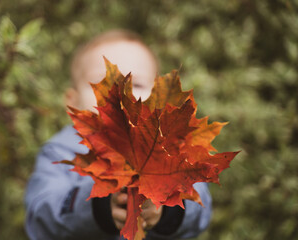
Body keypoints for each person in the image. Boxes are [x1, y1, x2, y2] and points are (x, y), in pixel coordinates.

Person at [24, 29, 212, 240]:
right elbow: (41, 214)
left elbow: (201, 207)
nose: (122, 94)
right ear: (72, 102)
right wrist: (100, 206)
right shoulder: (61, 151)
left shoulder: (169, 146)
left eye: (137, 84)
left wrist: (169, 209)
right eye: (105, 84)